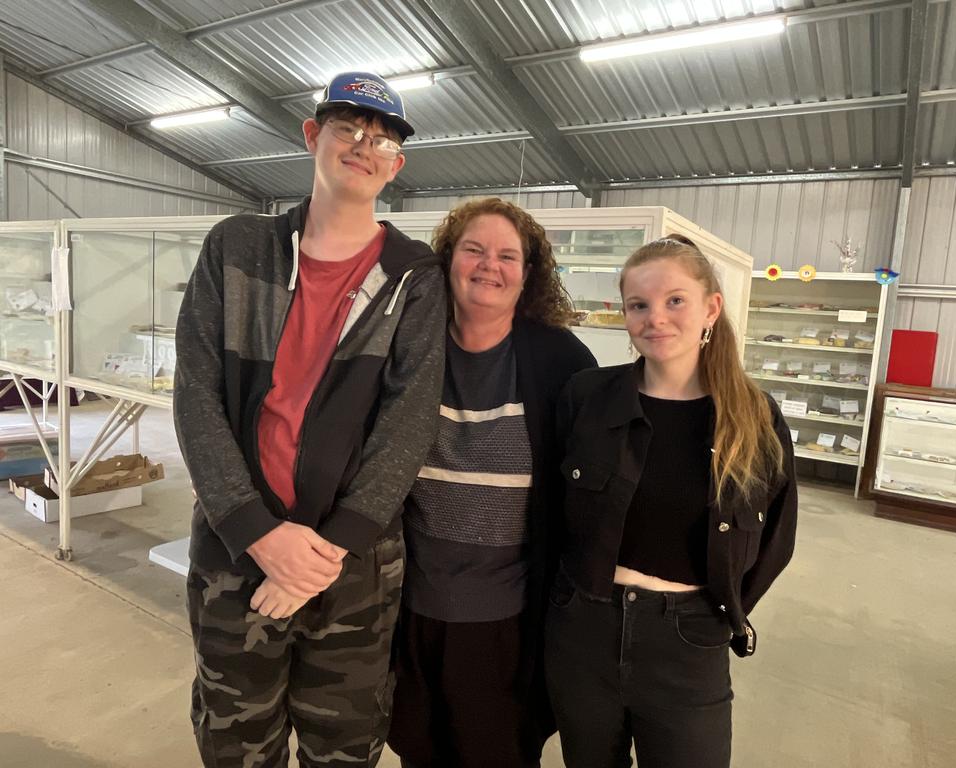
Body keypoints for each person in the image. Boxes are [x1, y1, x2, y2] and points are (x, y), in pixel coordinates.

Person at [173, 71, 446, 768]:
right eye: (348, 127)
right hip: (238, 555)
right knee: (237, 743)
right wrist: (255, 532)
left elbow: (408, 423)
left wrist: (326, 552)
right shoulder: (236, 248)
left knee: (344, 747)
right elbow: (196, 394)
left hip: (352, 568)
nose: (364, 145)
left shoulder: (415, 276)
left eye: (382, 138)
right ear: (312, 134)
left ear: (397, 165)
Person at [545, 234, 798, 768]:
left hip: (689, 640)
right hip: (584, 633)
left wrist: (719, 612)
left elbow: (776, 539)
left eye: (674, 300)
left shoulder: (755, 416)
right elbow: (548, 515)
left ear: (711, 308)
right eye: (639, 305)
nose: (655, 318)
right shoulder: (586, 397)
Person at [386, 198, 597, 768]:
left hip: (507, 615)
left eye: (508, 256)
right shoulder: (408, 345)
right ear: (448, 260)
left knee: (495, 751)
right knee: (419, 748)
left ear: (528, 276)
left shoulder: (561, 361)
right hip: (411, 603)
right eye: (474, 249)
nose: (489, 265)